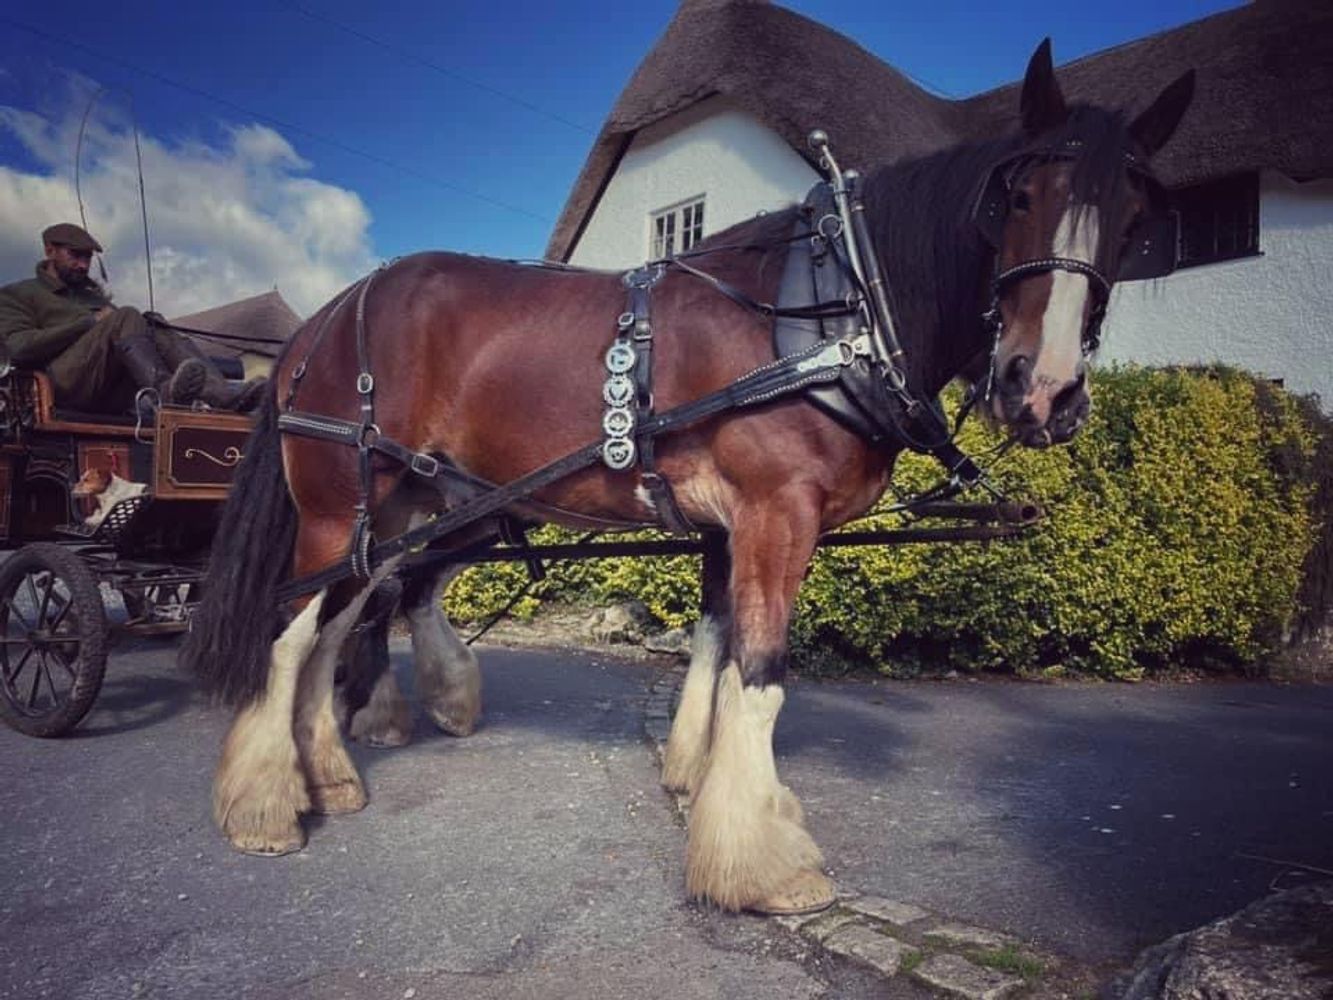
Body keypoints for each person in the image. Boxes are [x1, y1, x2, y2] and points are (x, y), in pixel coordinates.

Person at [0, 223, 265, 414]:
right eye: (75, 255)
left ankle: (222, 395)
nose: (83, 265)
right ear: (50, 251)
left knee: (151, 320)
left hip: (110, 389)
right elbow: (18, 348)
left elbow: (123, 336)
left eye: (88, 258)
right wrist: (89, 323)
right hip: (61, 386)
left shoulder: (93, 298)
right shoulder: (18, 294)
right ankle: (164, 392)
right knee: (126, 314)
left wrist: (122, 322)